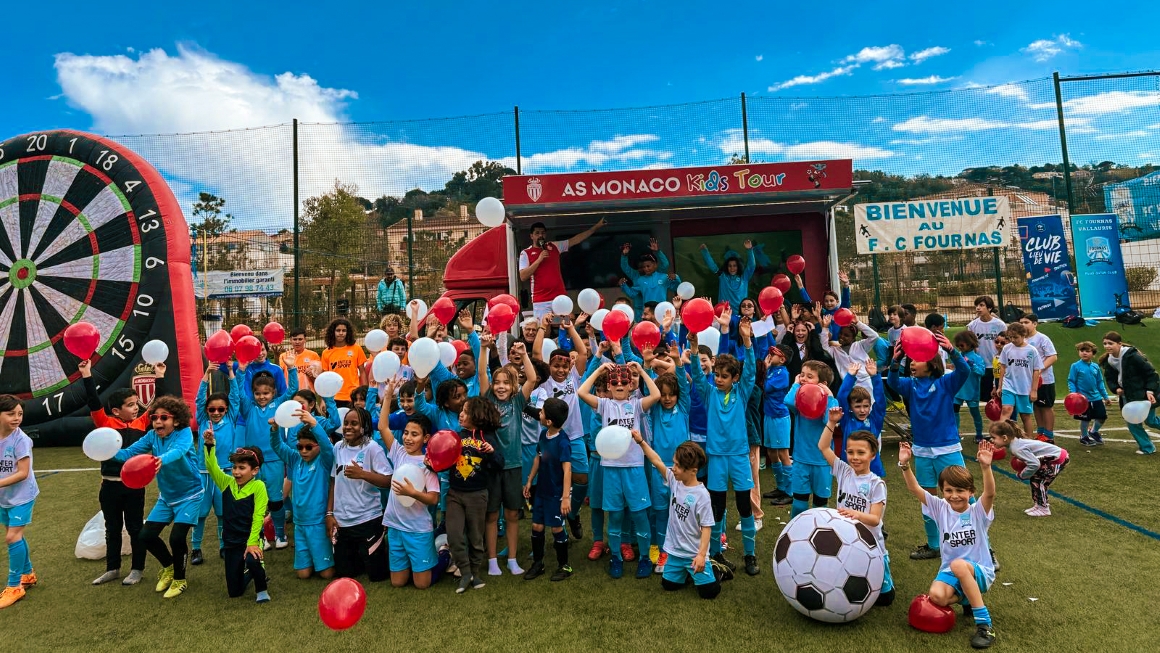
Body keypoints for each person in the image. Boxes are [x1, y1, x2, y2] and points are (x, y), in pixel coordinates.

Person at [898, 441, 998, 650]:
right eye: (948, 490)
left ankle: (984, 625)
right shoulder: (940, 508)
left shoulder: (977, 512)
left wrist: (986, 467)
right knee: (937, 596)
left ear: (971, 492)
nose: (954, 495)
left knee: (959, 565)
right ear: (942, 491)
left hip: (980, 571)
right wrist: (905, 465)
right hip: (951, 571)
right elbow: (914, 488)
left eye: (960, 490)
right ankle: (967, 599)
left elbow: (989, 494)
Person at [79, 359, 167, 586]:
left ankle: (137, 569)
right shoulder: (105, 424)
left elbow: (159, 404)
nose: (136, 407)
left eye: (136, 403)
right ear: (117, 410)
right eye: (130, 405)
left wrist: (159, 377)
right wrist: (87, 374)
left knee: (136, 528)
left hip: (134, 487)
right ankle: (113, 568)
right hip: (109, 486)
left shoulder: (141, 423)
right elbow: (94, 402)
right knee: (112, 529)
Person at [887, 331, 970, 561]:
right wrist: (895, 361)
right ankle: (934, 545)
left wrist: (952, 351)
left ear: (932, 363)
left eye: (917, 359)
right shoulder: (910, 385)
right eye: (911, 360)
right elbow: (893, 383)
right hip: (922, 450)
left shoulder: (945, 383)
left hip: (947, 448)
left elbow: (964, 371)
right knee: (927, 499)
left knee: (964, 496)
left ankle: (983, 545)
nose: (912, 363)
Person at [111, 396, 203, 599]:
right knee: (146, 536)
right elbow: (129, 453)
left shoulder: (184, 433)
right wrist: (107, 451)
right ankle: (169, 567)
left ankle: (180, 579)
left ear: (176, 420)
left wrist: (159, 459)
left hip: (190, 495)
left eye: (164, 417)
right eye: (154, 418)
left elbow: (178, 451)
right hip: (167, 497)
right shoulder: (152, 436)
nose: (158, 421)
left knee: (177, 538)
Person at [688, 319, 759, 577]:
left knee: (743, 506)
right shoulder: (709, 393)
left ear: (735, 378)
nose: (718, 379)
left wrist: (747, 341)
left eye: (724, 376)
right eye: (717, 375)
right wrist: (694, 350)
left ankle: (749, 554)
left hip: (738, 456)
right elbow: (698, 376)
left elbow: (750, 371)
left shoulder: (742, 392)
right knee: (716, 507)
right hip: (716, 457)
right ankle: (716, 553)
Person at [579, 361, 661, 579]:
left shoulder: (636, 405)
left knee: (639, 515)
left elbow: (656, 395)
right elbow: (581, 392)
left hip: (634, 467)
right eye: (614, 382)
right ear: (609, 385)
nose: (619, 385)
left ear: (630, 385)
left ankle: (644, 558)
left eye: (624, 382)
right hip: (611, 468)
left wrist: (641, 371)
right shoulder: (604, 404)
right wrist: (599, 370)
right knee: (615, 515)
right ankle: (615, 557)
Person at [819, 411, 894, 606]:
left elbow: (875, 519)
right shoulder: (843, 471)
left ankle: (885, 572)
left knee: (885, 599)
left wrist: (855, 514)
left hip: (871, 543)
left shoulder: (876, 484)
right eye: (850, 452)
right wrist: (831, 422)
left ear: (872, 455)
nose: (855, 457)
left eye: (861, 453)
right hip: (845, 539)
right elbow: (823, 447)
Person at [637, 435, 725, 599]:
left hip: (694, 554)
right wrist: (641, 442)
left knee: (709, 593)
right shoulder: (674, 481)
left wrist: (701, 555)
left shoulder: (702, 496)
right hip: (675, 553)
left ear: (693, 471)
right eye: (674, 463)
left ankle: (714, 569)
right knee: (668, 586)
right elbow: (656, 461)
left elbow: (707, 527)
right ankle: (685, 573)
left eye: (678, 466)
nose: (674, 468)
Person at [479, 338, 537, 577]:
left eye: (506, 383)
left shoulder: (518, 402)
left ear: (513, 386)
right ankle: (492, 560)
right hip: (492, 466)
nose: (501, 387)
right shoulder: (488, 399)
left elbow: (532, 379)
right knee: (492, 514)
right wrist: (484, 348)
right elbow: (481, 372)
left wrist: (524, 355)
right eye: (497, 383)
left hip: (514, 466)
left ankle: (512, 559)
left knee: (512, 514)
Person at [531, 315, 590, 540]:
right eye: (556, 365)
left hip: (575, 436)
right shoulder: (545, 380)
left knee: (582, 479)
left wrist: (571, 327)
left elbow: (582, 353)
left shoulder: (574, 377)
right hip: (552, 438)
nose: (561, 370)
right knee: (555, 480)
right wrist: (542, 327)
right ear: (550, 366)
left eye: (565, 366)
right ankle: (559, 524)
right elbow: (536, 355)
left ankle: (572, 513)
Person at [239, 353, 299, 550]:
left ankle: (280, 534)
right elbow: (239, 393)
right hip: (253, 462)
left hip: (274, 460)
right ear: (253, 393)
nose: (262, 397)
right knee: (256, 501)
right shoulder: (249, 408)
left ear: (273, 392)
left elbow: (292, 390)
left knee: (275, 500)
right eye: (258, 393)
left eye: (266, 393)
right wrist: (241, 372)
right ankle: (261, 536)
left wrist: (292, 368)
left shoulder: (279, 404)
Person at [202, 432, 270, 602]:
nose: (236, 472)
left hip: (250, 539)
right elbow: (211, 466)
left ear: (254, 470)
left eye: (242, 468)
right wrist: (209, 444)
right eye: (235, 467)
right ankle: (251, 573)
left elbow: (258, 516)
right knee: (234, 592)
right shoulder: (226, 483)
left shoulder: (259, 486)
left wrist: (252, 543)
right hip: (231, 541)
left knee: (253, 560)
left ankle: (262, 589)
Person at [327, 408, 392, 582]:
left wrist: (363, 474)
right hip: (343, 521)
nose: (348, 427)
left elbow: (388, 480)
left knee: (377, 575)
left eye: (354, 423)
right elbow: (333, 481)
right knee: (345, 574)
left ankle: (375, 547)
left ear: (364, 427)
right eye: (346, 423)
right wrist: (329, 513)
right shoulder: (338, 447)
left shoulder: (372, 448)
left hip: (368, 518)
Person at [447, 398, 504, 593]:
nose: (461, 414)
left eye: (465, 411)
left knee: (476, 537)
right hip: (454, 494)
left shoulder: (488, 437)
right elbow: (443, 461)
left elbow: (499, 464)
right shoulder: (455, 436)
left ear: (477, 415)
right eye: (461, 411)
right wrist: (432, 461)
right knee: (454, 535)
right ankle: (465, 572)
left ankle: (475, 572)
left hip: (478, 495)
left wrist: (491, 452)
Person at [272, 408, 336, 580]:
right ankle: (315, 559)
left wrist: (314, 424)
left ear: (318, 446)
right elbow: (278, 446)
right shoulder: (295, 459)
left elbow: (327, 446)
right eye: (300, 447)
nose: (303, 451)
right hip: (299, 523)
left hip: (318, 522)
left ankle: (330, 556)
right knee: (303, 574)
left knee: (327, 574)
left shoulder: (324, 460)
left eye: (309, 447)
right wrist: (275, 430)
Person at [379, 414, 441, 589]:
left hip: (418, 529)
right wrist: (388, 398)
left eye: (414, 434)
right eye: (406, 433)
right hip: (395, 527)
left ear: (426, 438)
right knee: (398, 582)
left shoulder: (428, 463)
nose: (407, 438)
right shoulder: (398, 453)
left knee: (422, 584)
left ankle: (444, 555)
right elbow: (383, 427)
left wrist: (413, 493)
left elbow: (433, 498)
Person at [192, 363, 241, 566]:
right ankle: (196, 548)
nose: (216, 412)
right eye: (212, 409)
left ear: (227, 409)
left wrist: (230, 372)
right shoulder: (203, 420)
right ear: (207, 410)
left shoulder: (231, 417)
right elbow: (198, 399)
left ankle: (223, 546)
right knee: (201, 513)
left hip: (225, 472)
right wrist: (206, 374)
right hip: (204, 472)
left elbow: (235, 397)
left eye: (221, 409)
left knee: (223, 513)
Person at [523, 398, 574, 581]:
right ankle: (538, 564)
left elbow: (567, 470)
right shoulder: (544, 434)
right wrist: (530, 481)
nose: (539, 414)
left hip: (556, 494)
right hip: (542, 492)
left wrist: (565, 497)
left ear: (549, 421)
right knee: (536, 526)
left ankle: (564, 566)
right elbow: (538, 458)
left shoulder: (563, 442)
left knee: (556, 529)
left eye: (542, 412)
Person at [647, 367, 691, 574]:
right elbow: (649, 390)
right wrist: (646, 366)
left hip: (681, 471)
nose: (666, 399)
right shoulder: (655, 409)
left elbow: (683, 383)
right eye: (663, 394)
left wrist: (677, 362)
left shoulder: (683, 407)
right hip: (658, 468)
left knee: (681, 512)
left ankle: (681, 550)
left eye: (671, 394)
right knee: (660, 511)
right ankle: (662, 550)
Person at [519, 219, 607, 318]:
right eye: (537, 233)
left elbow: (576, 240)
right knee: (544, 326)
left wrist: (596, 227)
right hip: (541, 300)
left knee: (566, 322)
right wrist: (539, 259)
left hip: (559, 297)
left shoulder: (554, 246)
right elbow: (523, 276)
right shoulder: (525, 253)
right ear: (531, 236)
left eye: (543, 233)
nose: (540, 235)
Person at [784, 361, 840, 518]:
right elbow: (788, 401)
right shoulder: (800, 401)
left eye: (809, 376)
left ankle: (818, 530)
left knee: (820, 506)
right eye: (802, 374)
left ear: (823, 384)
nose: (803, 378)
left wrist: (829, 396)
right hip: (801, 460)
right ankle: (796, 530)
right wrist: (796, 384)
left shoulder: (830, 401)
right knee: (799, 503)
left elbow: (828, 420)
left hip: (822, 462)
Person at [987, 420, 1068, 517]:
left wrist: (1022, 475)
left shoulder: (1016, 448)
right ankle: (1039, 505)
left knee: (1040, 482)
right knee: (1035, 479)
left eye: (994, 437)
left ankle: (1044, 508)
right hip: (1055, 457)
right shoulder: (1016, 443)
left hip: (1057, 459)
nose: (991, 440)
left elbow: (1034, 464)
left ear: (1004, 437)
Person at [0, 396, 37, 609]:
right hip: (4, 496)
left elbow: (23, 473)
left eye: (20, 414)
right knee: (14, 535)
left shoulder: (21, 440)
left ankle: (14, 586)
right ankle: (28, 574)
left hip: (22, 495)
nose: (16, 418)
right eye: (11, 414)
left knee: (12, 537)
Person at [1100, 331, 1160, 455]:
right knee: (1132, 423)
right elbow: (1110, 378)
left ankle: (1148, 446)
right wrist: (1116, 388)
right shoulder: (1108, 361)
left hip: (1143, 394)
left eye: (1110, 343)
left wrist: (1150, 391)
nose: (1107, 346)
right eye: (1105, 343)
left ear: (1119, 344)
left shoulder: (1133, 356)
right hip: (1127, 395)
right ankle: (1148, 448)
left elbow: (1151, 373)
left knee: (1151, 421)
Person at [835, 360, 886, 478]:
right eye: (858, 406)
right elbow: (841, 397)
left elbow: (881, 401)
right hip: (850, 469)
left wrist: (874, 377)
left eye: (866, 406)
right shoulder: (846, 420)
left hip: (872, 469)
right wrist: (850, 376)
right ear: (850, 407)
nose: (862, 410)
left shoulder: (875, 420)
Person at [996, 323, 1041, 441]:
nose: (1013, 340)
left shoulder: (1032, 350)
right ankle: (999, 438)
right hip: (1009, 385)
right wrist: (1000, 386)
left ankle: (1029, 441)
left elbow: (1036, 370)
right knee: (1006, 410)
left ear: (1023, 335)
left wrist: (1034, 390)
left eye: (1015, 337)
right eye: (1010, 337)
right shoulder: (1007, 348)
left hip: (1025, 388)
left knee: (1025, 415)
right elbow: (1003, 367)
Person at [1018, 314, 1059, 443]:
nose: (1023, 325)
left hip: (1044, 380)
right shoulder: (1021, 340)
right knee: (1036, 406)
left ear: (1035, 324)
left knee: (1046, 406)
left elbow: (1052, 356)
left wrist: (1039, 369)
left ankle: (1049, 435)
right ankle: (1040, 432)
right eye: (1021, 322)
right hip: (1029, 380)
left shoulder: (1042, 338)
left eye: (1026, 322)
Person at [762, 345, 793, 506]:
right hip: (769, 415)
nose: (769, 355)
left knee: (783, 453)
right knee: (771, 452)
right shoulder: (773, 369)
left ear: (782, 359)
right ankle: (781, 487)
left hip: (779, 418)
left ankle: (790, 492)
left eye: (772, 354)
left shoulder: (783, 373)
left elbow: (765, 387)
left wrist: (764, 369)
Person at [1068, 341, 1110, 446]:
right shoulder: (1075, 366)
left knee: (1102, 417)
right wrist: (1074, 395)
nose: (1084, 353)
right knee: (1085, 419)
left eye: (1087, 351)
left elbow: (1100, 382)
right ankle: (1084, 436)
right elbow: (1071, 381)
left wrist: (1105, 397)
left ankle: (1094, 431)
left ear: (1093, 353)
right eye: (1082, 350)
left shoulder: (1095, 367)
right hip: (1083, 399)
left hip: (1096, 398)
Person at [321, 318, 368, 407]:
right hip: (334, 396)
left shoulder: (356, 348)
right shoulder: (326, 352)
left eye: (344, 330)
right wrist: (323, 400)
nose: (341, 333)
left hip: (353, 395)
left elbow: (362, 372)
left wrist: (366, 392)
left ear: (348, 332)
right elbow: (325, 378)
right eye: (338, 330)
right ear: (333, 332)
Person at [967, 297, 1006, 401]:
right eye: (977, 305)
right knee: (982, 399)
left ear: (989, 308)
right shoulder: (972, 325)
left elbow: (1006, 343)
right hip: (980, 366)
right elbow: (970, 346)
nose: (978, 308)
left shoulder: (999, 324)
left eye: (981, 305)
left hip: (996, 365)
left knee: (998, 398)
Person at [699, 240, 756, 311]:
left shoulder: (744, 277)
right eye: (730, 266)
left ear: (738, 266)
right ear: (726, 267)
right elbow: (712, 266)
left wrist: (750, 250)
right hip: (724, 313)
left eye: (734, 266)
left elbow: (751, 266)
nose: (732, 268)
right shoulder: (723, 276)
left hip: (740, 314)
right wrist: (705, 251)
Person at [952, 331, 987, 444]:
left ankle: (979, 434)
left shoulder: (977, 358)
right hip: (958, 389)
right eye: (958, 345)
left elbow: (981, 372)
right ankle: (955, 434)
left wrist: (971, 364)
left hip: (972, 390)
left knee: (975, 412)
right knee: (954, 410)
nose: (960, 347)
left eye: (962, 345)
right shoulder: (958, 355)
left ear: (970, 343)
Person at [281, 328, 321, 392]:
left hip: (308, 394)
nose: (297, 342)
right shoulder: (284, 356)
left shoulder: (313, 355)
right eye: (295, 339)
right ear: (290, 340)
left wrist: (312, 375)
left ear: (305, 340)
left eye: (300, 339)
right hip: (290, 393)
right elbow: (279, 376)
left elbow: (319, 380)